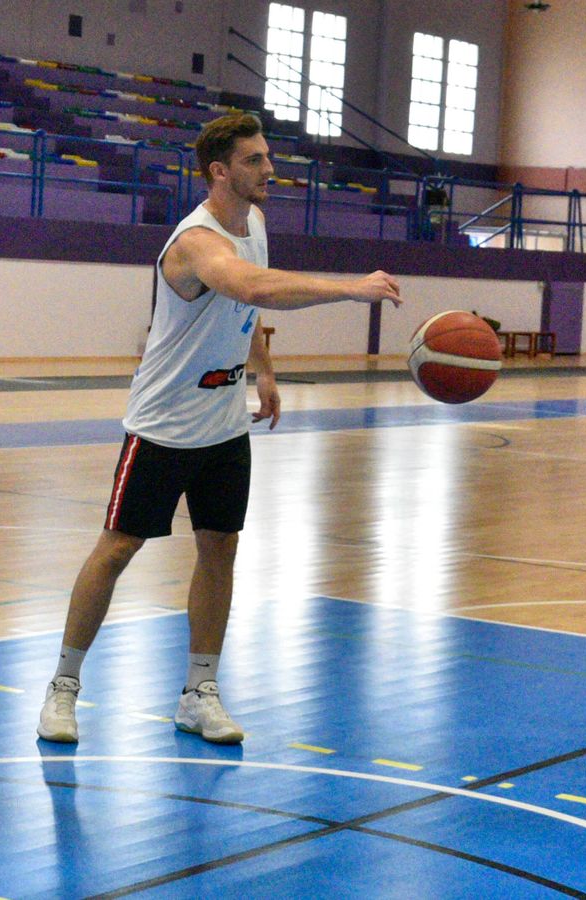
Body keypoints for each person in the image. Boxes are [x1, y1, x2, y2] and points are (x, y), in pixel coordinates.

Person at [38, 113, 401, 745]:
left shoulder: (254, 224)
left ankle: (199, 693)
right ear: (219, 171)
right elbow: (250, 286)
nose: (269, 169)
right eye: (255, 160)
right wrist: (350, 288)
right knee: (118, 549)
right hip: (164, 425)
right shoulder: (196, 242)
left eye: (266, 157)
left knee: (220, 548)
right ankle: (63, 688)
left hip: (224, 423)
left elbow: (245, 309)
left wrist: (262, 370)